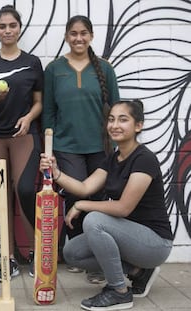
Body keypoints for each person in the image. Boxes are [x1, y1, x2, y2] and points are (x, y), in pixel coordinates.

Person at [40, 100, 173, 310]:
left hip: (154, 243)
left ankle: (119, 291)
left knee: (94, 220)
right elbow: (84, 187)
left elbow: (123, 208)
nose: (114, 125)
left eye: (123, 119)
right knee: (72, 252)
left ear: (138, 125)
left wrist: (82, 205)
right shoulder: (113, 158)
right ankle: (139, 272)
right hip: (129, 238)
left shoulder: (144, 159)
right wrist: (56, 172)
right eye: (111, 120)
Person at [42, 15, 120, 282]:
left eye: (83, 33)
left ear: (91, 36)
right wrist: (49, 147)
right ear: (66, 36)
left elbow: (116, 110)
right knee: (75, 197)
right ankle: (78, 252)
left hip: (99, 146)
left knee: (98, 201)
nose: (78, 38)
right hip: (66, 146)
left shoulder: (106, 69)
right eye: (73, 33)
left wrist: (117, 146)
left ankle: (97, 257)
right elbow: (49, 112)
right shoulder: (54, 69)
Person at [0, 5, 43, 281]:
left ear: (19, 28)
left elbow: (39, 102)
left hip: (23, 137)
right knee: (0, 197)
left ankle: (36, 255)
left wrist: (28, 118)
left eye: (12, 26)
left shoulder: (33, 62)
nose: (7, 30)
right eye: (2, 26)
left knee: (26, 190)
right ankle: (9, 259)